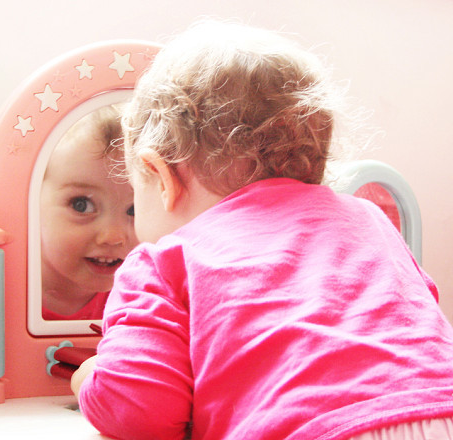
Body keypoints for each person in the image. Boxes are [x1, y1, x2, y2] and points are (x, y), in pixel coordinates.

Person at [71, 20, 453, 440]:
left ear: (161, 176)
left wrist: (90, 377)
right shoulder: (369, 219)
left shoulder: (165, 260)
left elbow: (138, 412)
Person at [40, 105, 137, 320]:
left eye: (134, 210)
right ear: (30, 199)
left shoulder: (141, 299)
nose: (113, 236)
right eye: (81, 205)